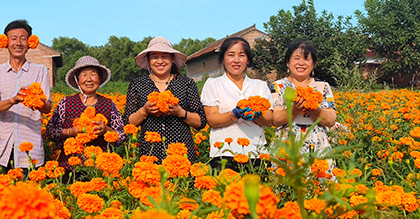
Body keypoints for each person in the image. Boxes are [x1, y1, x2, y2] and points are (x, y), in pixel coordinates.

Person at [0, 20, 52, 173]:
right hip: (1, 150)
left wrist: (36, 101)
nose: (18, 43)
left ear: (30, 43)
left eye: (23, 39)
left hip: (31, 150)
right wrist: (13, 100)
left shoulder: (40, 71)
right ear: (5, 42)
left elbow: (48, 108)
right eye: (14, 38)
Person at [124, 37, 206, 163]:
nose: (160, 61)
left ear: (172, 60)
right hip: (150, 153)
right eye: (155, 57)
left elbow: (201, 121)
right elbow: (128, 123)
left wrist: (180, 112)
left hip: (181, 154)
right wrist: (144, 111)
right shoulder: (138, 84)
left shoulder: (186, 84)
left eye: (165, 56)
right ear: (148, 60)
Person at [201, 37, 273, 171]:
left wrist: (256, 115)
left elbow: (268, 120)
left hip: (256, 153)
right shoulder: (213, 84)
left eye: (242, 55)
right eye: (231, 55)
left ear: (248, 59)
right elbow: (212, 119)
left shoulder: (260, 86)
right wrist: (234, 114)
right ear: (223, 59)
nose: (236, 60)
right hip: (224, 153)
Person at [47, 56, 125, 173]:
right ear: (77, 80)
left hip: (100, 168)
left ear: (99, 79)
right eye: (84, 75)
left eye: (93, 74)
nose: (89, 79)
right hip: (69, 167)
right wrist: (70, 132)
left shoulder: (109, 104)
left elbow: (122, 136)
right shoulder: (66, 102)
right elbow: (50, 131)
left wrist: (106, 130)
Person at [271, 40, 337, 156]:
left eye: (306, 59)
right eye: (296, 58)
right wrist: (295, 109)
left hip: (317, 148)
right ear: (287, 62)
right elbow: (276, 120)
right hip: (286, 148)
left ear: (314, 64)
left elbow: (331, 120)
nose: (301, 63)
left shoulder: (323, 86)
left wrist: (313, 109)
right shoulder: (278, 86)